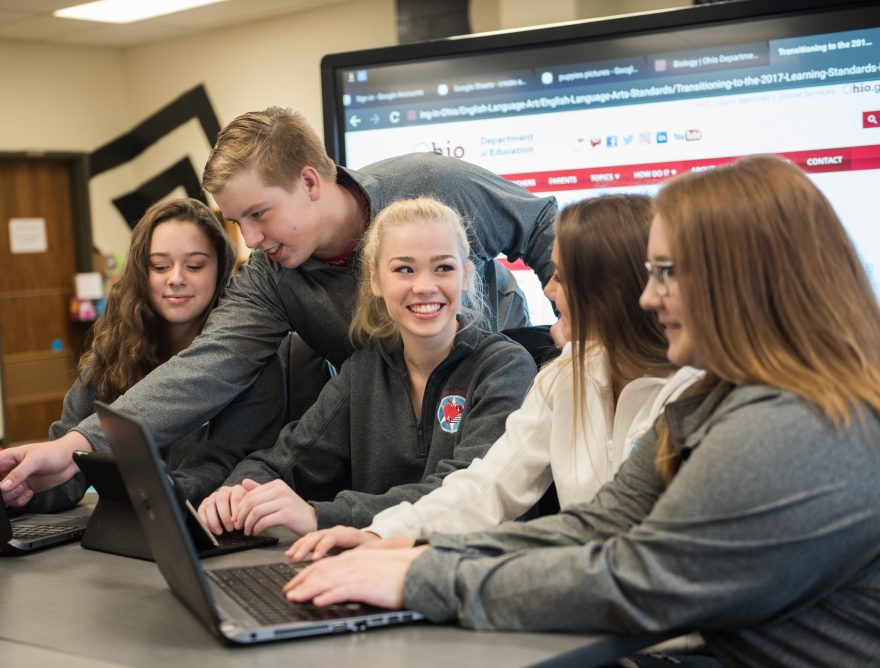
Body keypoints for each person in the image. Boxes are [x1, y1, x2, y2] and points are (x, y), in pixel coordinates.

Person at [283, 156, 880, 665]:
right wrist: (404, 547)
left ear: (746, 281)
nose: (649, 296)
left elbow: (635, 578)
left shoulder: (794, 425)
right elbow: (593, 527)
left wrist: (421, 576)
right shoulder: (718, 399)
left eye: (666, 274)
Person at [0, 106, 557, 505]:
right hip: (384, 446)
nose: (251, 239)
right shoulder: (273, 275)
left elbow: (543, 227)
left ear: (310, 181)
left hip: (484, 413)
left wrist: (583, 338)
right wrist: (78, 444)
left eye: (259, 214)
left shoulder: (431, 188)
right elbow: (208, 364)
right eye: (238, 222)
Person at [286, 194, 703, 561]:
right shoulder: (564, 376)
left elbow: (627, 550)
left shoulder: (696, 390)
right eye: (404, 270)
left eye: (560, 276)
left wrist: (424, 570)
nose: (549, 290)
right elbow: (490, 486)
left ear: (610, 288)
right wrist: (382, 535)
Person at [195, 196, 537, 537]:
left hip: (462, 573)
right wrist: (236, 492)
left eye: (444, 267)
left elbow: (461, 494)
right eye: (404, 269)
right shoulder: (364, 371)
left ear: (466, 276)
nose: (424, 286)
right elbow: (287, 460)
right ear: (375, 281)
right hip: (367, 571)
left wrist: (320, 516)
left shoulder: (504, 368)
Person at [0, 198, 285, 509]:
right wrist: (20, 490)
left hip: (201, 532)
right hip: (120, 528)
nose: (175, 278)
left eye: (195, 265)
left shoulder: (253, 361)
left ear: (220, 270)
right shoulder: (114, 347)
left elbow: (223, 469)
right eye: (159, 266)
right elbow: (70, 460)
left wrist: (151, 490)